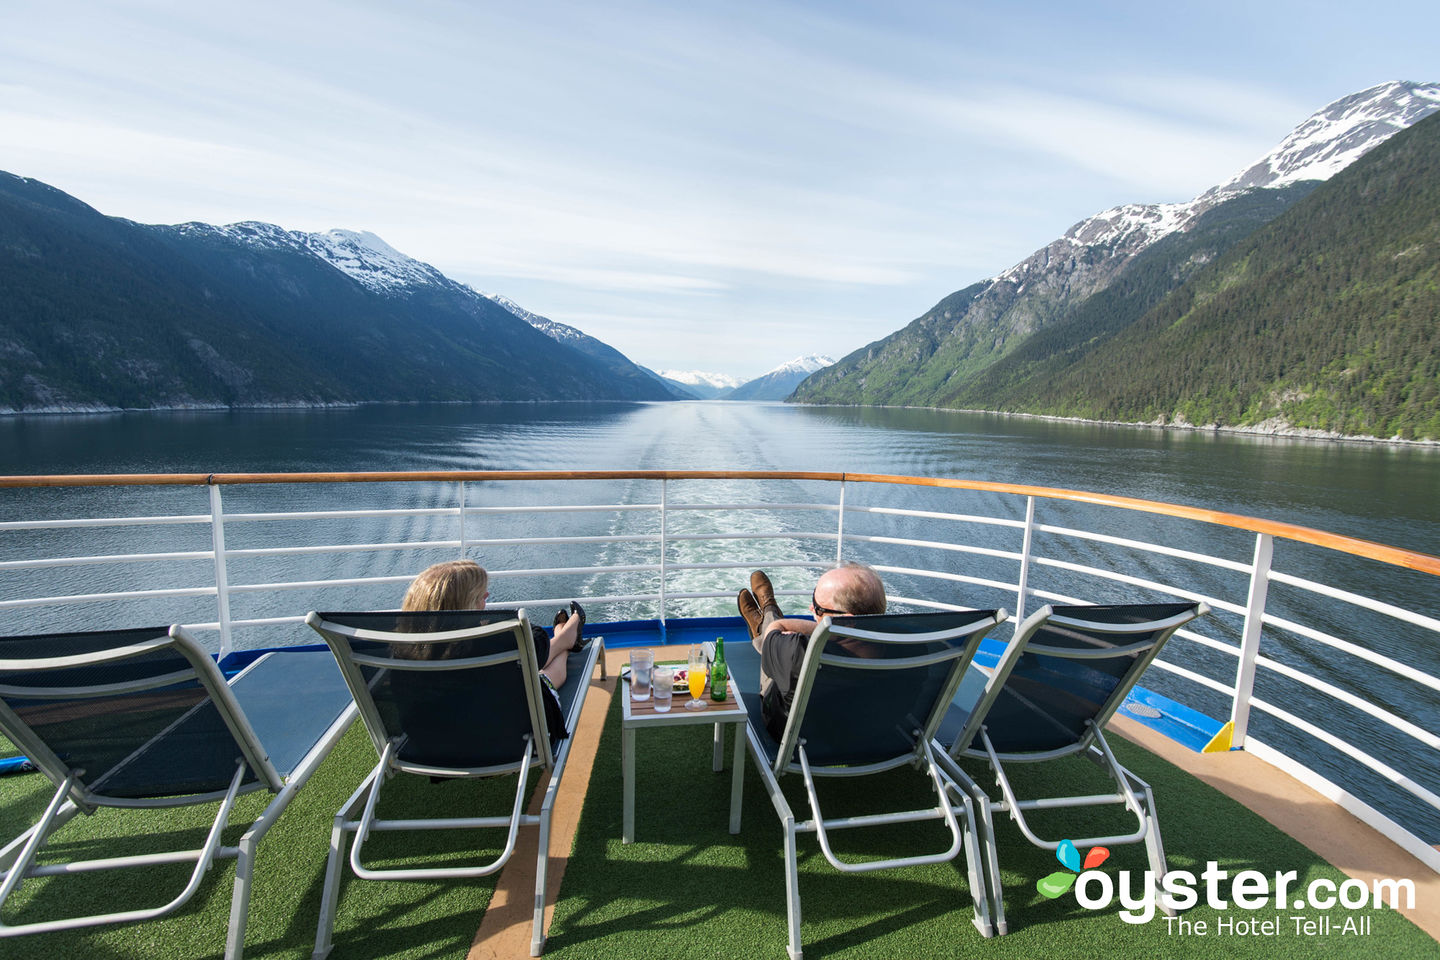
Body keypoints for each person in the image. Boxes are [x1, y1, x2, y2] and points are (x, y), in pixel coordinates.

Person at [399, 559, 586, 742]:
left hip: (433, 743)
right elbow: (536, 640)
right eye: (480, 595)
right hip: (506, 738)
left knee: (527, 661)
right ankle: (567, 638)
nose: (487, 595)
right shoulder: (488, 642)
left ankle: (565, 638)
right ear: (463, 606)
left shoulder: (401, 648)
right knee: (541, 676)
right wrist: (493, 622)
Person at [737, 562, 886, 741]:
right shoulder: (917, 647)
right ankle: (767, 613)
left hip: (800, 740)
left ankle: (766, 616)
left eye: (818, 607)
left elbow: (777, 628)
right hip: (868, 737)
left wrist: (800, 631)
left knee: (769, 640)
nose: (811, 608)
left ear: (847, 622)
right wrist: (829, 628)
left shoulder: (799, 651)